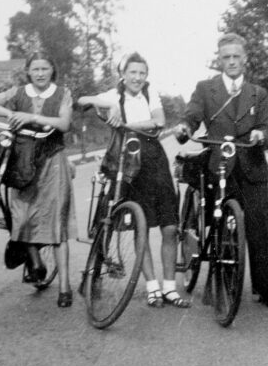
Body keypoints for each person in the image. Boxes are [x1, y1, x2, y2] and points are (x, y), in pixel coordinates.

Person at [175, 33, 268, 309]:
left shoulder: (259, 93)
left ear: (245, 60)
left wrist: (260, 135)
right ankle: (218, 270)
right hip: (218, 164)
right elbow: (192, 115)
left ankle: (266, 288)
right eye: (226, 57)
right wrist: (185, 127)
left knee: (258, 226)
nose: (231, 62)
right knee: (217, 221)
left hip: (251, 166)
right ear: (219, 60)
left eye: (236, 57)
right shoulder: (205, 88)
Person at [77, 52, 190, 309]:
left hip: (154, 157)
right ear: (123, 74)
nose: (138, 78)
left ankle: (170, 288)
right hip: (128, 160)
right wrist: (112, 106)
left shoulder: (150, 95)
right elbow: (82, 100)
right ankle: (152, 287)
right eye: (133, 73)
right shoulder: (112, 95)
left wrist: (126, 124)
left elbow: (159, 122)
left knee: (170, 226)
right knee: (141, 224)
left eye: (142, 73)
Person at [0, 52, 77, 308]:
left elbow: (64, 124)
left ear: (52, 71)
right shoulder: (18, 92)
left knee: (56, 224)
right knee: (21, 215)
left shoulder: (62, 93)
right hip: (22, 160)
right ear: (29, 71)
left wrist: (32, 117)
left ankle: (65, 287)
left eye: (45, 68)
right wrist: (9, 114)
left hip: (52, 160)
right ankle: (35, 261)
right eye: (36, 69)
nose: (41, 73)